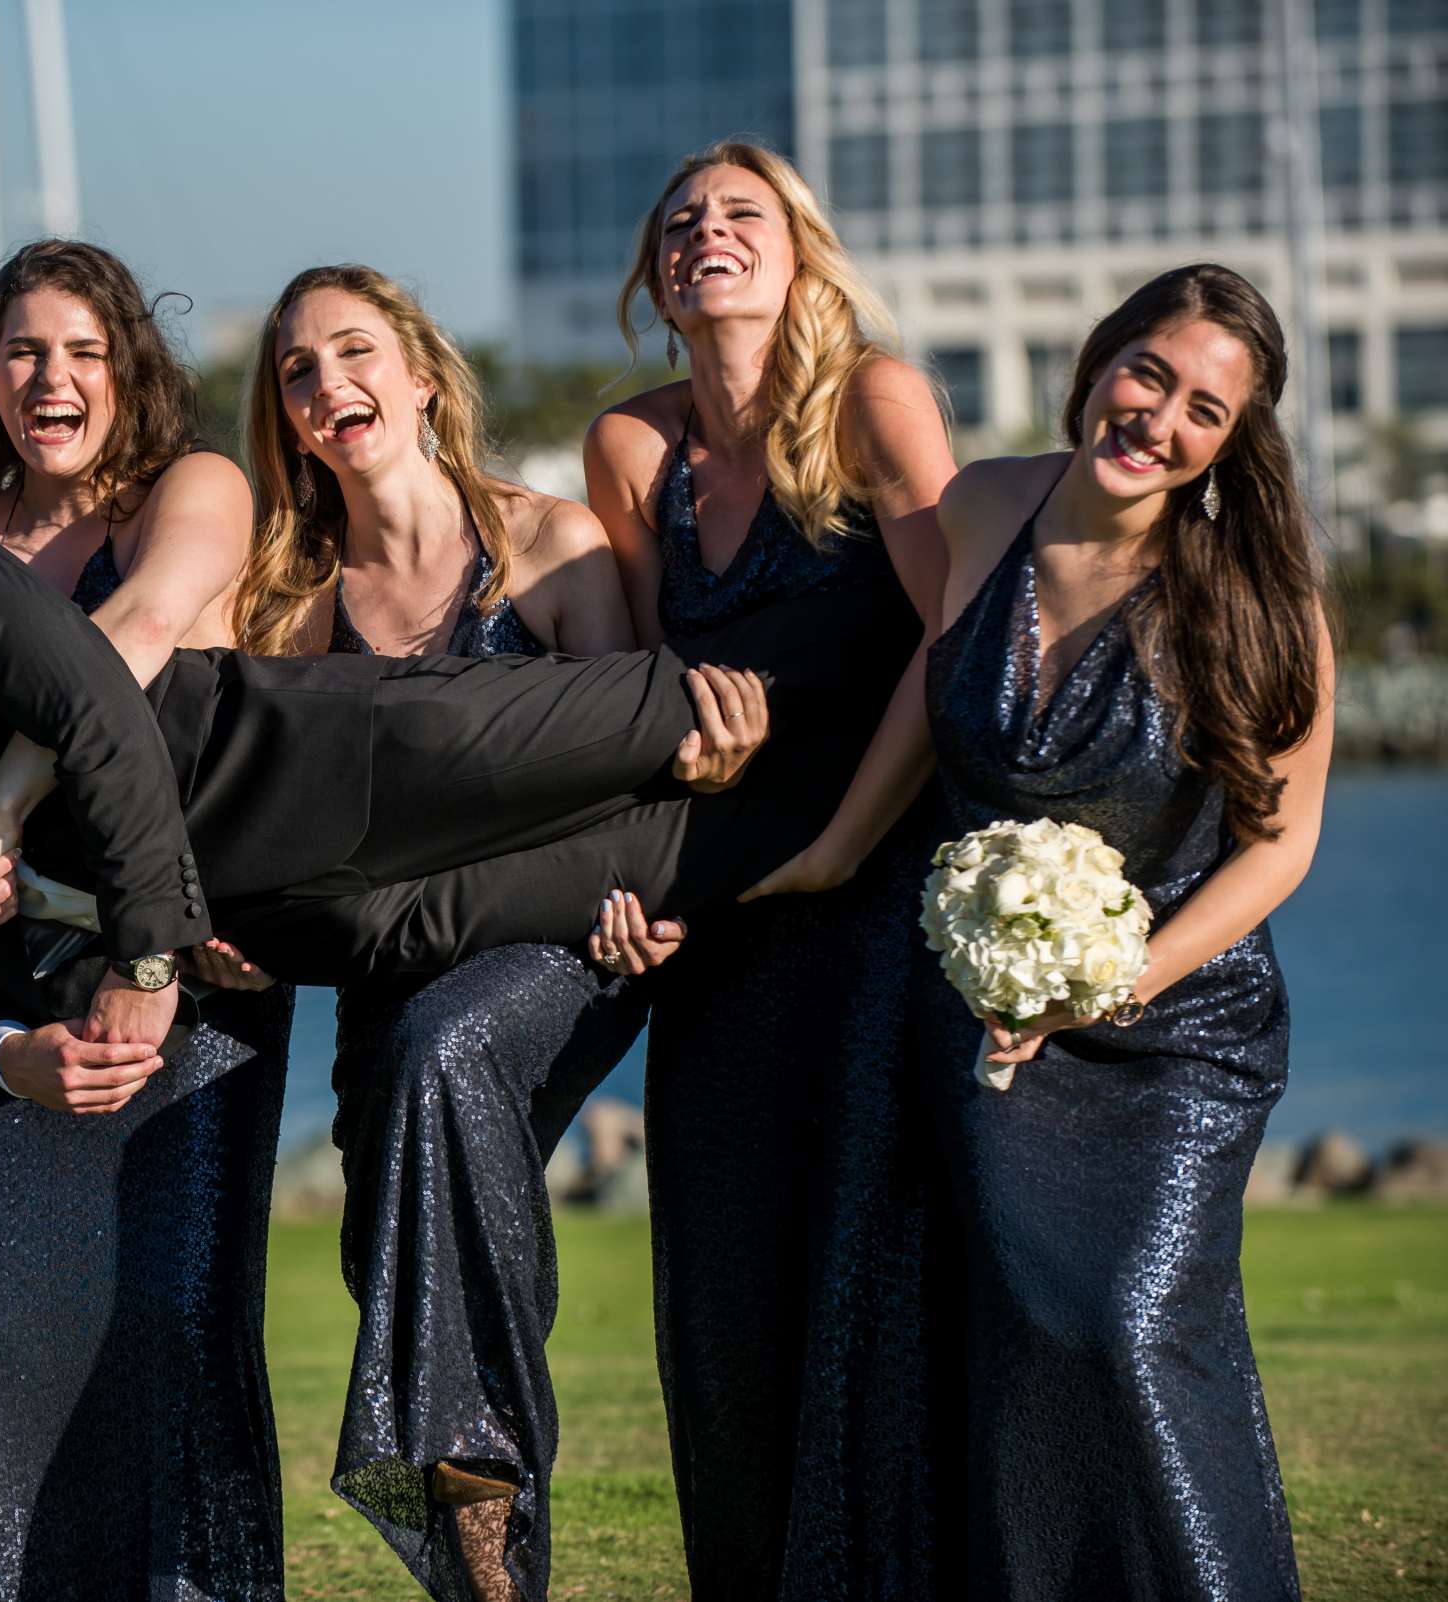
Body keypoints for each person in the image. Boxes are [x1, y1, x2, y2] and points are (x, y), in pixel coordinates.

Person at [0, 455, 801, 1056]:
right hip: (311, 926)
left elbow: (94, 704)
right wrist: (7, 1033)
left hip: (346, 755)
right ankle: (845, 862)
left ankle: (926, 750)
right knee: (698, 858)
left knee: (688, 714)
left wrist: (138, 955)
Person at [230, 261, 717, 1602]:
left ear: (424, 375)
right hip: (391, 970)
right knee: (406, 1206)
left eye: (353, 351)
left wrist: (640, 907)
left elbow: (637, 773)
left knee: (442, 1061)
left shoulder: (549, 548)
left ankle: (484, 1548)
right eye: (297, 370)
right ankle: (481, 1559)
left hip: (565, 950)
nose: (329, 383)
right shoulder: (289, 606)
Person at [0, 239, 298, 1598]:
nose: (54, 376)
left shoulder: (191, 491)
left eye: (86, 350)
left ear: (128, 370)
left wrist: (9, 809)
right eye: (26, 349)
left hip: (181, 982)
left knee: (168, 1343)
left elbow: (130, 641)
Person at [581, 139, 959, 1597]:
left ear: (798, 248)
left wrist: (847, 844)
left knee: (864, 1266)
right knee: (724, 1292)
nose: (706, 234)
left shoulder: (874, 396)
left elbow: (959, 641)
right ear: (655, 279)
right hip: (726, 908)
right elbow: (620, 696)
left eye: (742, 214)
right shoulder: (631, 449)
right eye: (678, 221)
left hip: (875, 889)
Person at [921, 262, 1326, 1599]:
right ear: (1101, 358)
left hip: (1175, 1029)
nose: (1158, 417)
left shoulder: (1251, 591)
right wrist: (809, 862)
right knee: (1025, 1342)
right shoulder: (984, 505)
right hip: (992, 1024)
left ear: (1228, 443)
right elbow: (907, 716)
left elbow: (1281, 842)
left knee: (1130, 1325)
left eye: (1204, 409)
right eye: (1148, 372)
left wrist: (1118, 977)